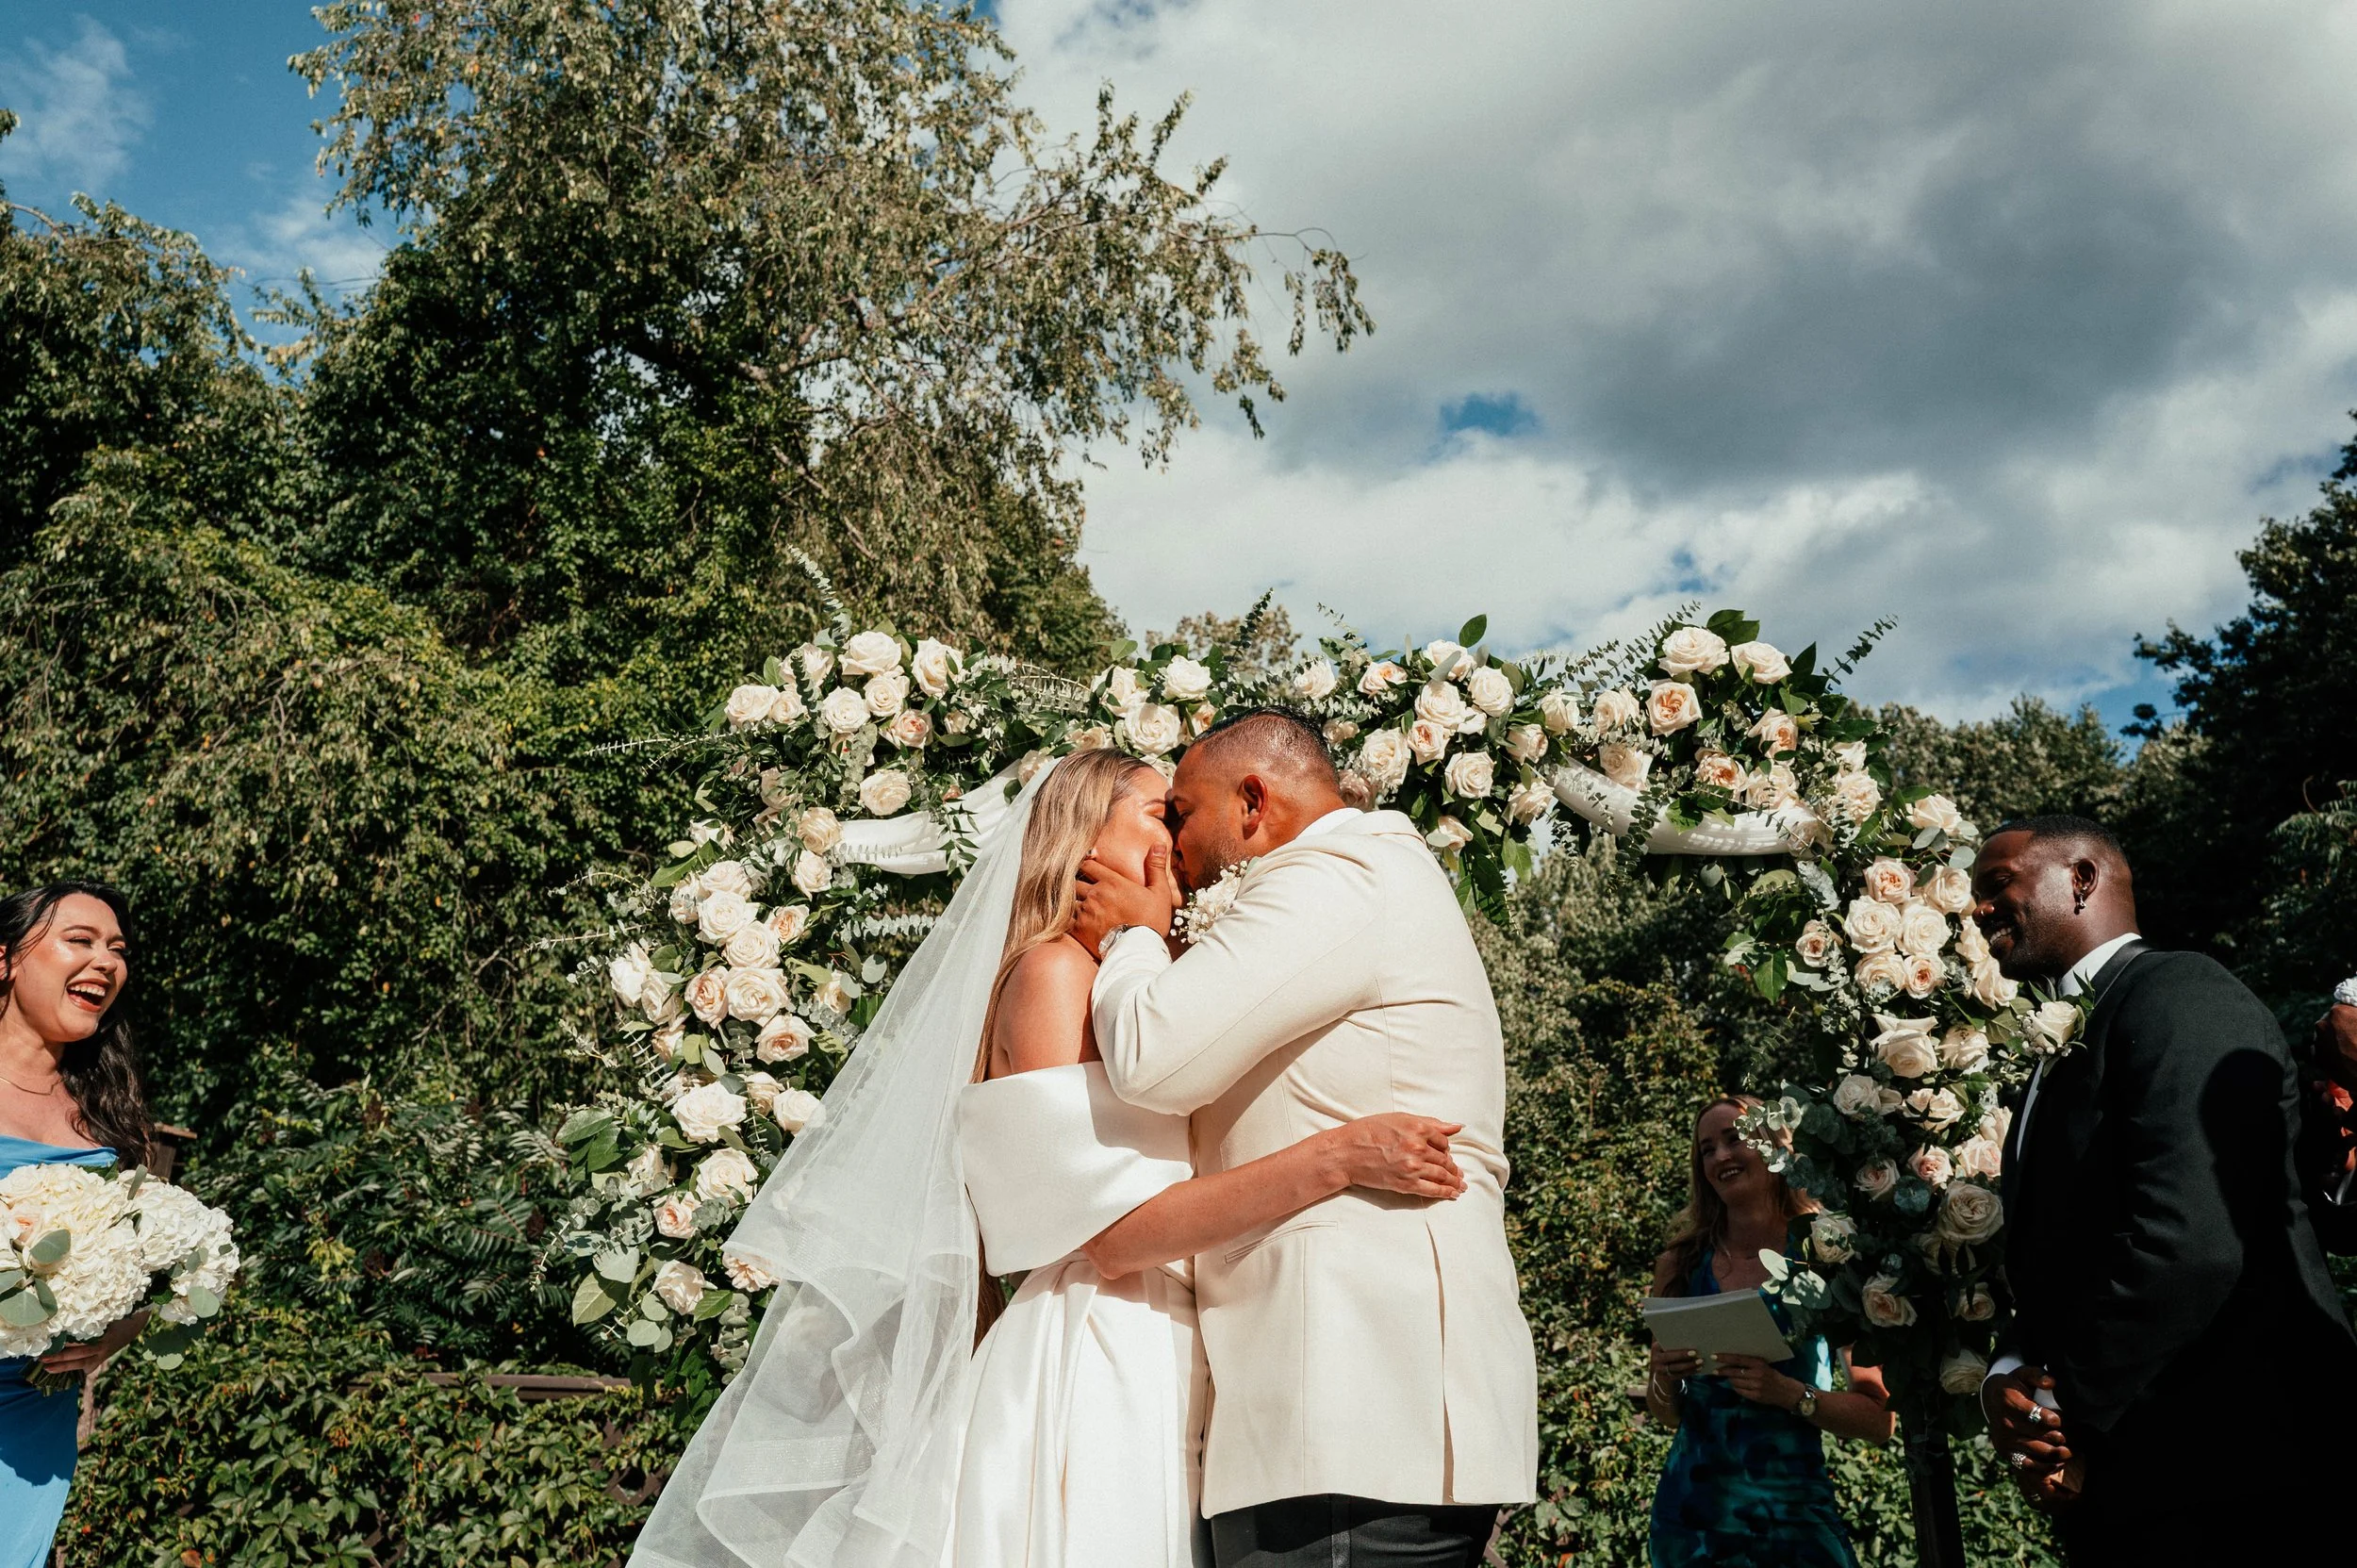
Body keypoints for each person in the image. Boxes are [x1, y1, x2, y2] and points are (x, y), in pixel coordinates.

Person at [629, 751, 1467, 1568]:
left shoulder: (1143, 982)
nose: (1178, 842)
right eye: (1158, 814)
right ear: (1083, 839)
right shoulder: (1055, 973)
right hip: (1099, 1352)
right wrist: (1337, 1156)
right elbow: (1112, 1236)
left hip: (1172, 1353)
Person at [1071, 709, 1540, 1568]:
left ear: (1253, 802)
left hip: (1350, 1402)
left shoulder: (1340, 876)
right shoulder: (1363, 879)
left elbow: (1151, 1055)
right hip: (1338, 1421)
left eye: (1181, 812)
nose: (1174, 842)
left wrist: (1131, 933)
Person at [1970, 817, 2357, 1562]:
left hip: (2238, 1472)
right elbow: (2055, 1254)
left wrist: (2059, 1409)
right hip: (2136, 1480)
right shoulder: (2056, 1049)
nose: (1978, 910)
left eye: (1997, 886)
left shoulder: (2181, 993)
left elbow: (2192, 1242)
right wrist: (2008, 1372)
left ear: (2081, 878)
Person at [1644, 1097, 1889, 1568]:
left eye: (1735, 1138)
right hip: (1690, 1521)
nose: (1720, 1157)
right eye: (1707, 1149)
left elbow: (1879, 1420)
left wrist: (1790, 1394)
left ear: (1774, 1144)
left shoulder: (1829, 1254)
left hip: (1794, 1519)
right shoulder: (1680, 1264)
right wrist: (1662, 1376)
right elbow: (1670, 1415)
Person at [0, 883, 155, 1568]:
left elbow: (159, 1268)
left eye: (117, 949)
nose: (106, 961)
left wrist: (111, 1332)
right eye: (81, 940)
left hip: (35, 1407)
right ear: (4, 959)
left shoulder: (109, 1113)